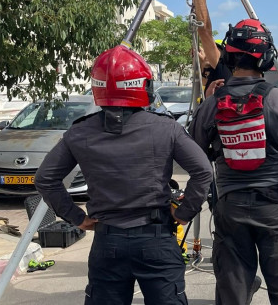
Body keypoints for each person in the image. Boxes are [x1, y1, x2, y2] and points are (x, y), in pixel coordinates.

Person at [35, 45, 214, 304]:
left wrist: (77, 218)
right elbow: (203, 171)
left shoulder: (79, 133)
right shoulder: (166, 128)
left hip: (108, 242)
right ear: (143, 86)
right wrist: (184, 212)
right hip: (157, 240)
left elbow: (45, 179)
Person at [190, 18, 278, 305]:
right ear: (266, 58)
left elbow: (194, 153)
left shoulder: (213, 103)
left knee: (232, 294)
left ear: (229, 56)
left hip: (230, 209)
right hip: (275, 209)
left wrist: (205, 106)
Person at [190, 0, 232, 96]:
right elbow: (203, 82)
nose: (208, 53)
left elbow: (204, 30)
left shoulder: (225, 69)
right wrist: (201, 64)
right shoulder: (216, 76)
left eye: (214, 51)